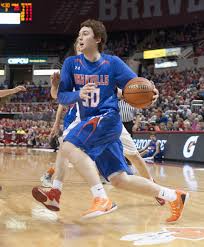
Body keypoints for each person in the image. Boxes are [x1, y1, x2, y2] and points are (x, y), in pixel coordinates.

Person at [32, 19, 188, 222]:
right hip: (92, 122)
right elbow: (61, 97)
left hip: (107, 118)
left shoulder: (112, 63)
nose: (80, 36)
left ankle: (100, 197)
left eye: (86, 33)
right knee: (118, 179)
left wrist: (151, 93)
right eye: (79, 33)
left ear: (98, 39)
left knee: (68, 145)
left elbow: (136, 86)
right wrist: (77, 94)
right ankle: (173, 196)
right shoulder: (71, 64)